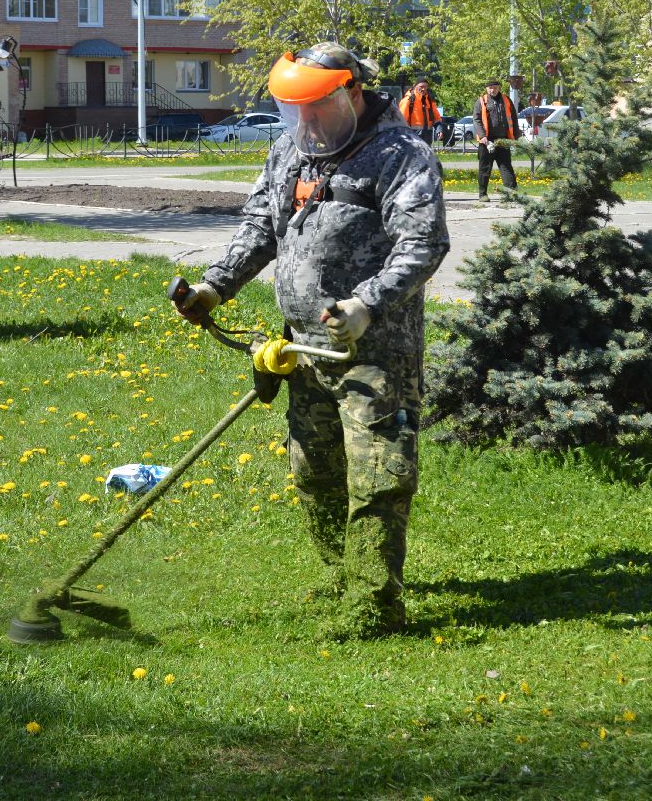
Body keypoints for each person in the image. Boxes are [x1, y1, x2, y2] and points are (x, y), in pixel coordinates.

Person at [176, 41, 449, 639]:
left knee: (379, 478)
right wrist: (216, 287)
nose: (304, 121)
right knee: (313, 473)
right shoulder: (290, 149)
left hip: (374, 352)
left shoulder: (401, 153)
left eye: (316, 107)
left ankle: (373, 609)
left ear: (351, 93)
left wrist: (365, 304)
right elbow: (260, 225)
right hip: (303, 349)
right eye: (291, 109)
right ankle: (338, 580)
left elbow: (423, 244)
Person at [474, 78, 519, 199]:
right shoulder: (481, 101)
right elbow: (477, 119)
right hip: (486, 141)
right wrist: (482, 136)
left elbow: (514, 119)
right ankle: (483, 194)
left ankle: (512, 193)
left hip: (503, 139)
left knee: (506, 166)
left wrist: (516, 136)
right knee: (485, 168)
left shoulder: (506, 100)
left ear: (499, 88)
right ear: (486, 89)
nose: (492, 90)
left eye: (494, 87)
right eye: (490, 88)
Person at [398, 78, 441, 147]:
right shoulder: (407, 101)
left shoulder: (429, 101)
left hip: (427, 137)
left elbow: (437, 118)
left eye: (426, 87)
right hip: (412, 137)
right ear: (415, 86)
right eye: (421, 87)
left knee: (426, 157)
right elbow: (401, 121)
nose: (424, 89)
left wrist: (439, 129)